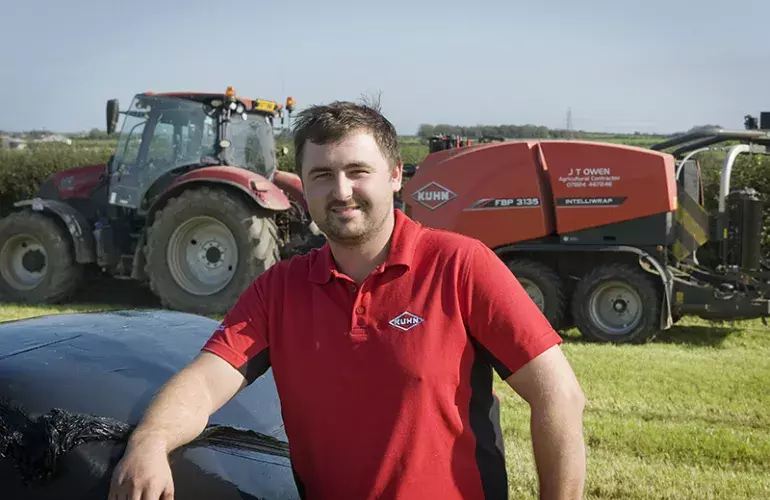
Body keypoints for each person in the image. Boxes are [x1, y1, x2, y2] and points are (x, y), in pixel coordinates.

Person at [108, 101, 586, 500]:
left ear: (396, 175)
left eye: (358, 172)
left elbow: (558, 396)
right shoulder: (280, 290)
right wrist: (150, 441)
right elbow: (204, 383)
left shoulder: (460, 266)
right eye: (322, 175)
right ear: (304, 184)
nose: (341, 192)